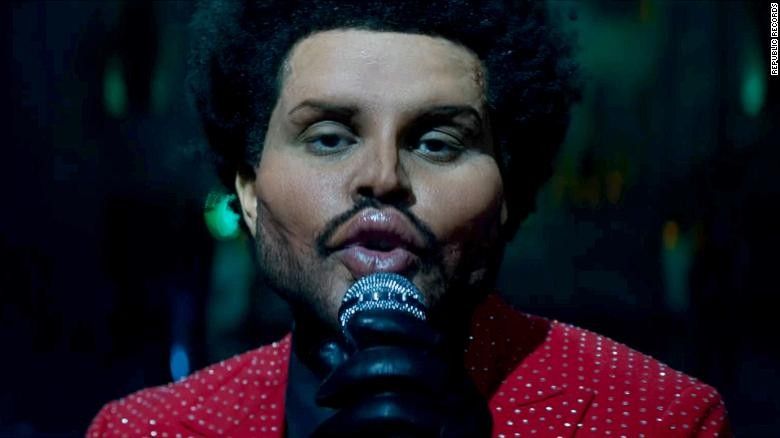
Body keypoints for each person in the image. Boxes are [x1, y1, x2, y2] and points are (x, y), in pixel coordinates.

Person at [89, 1, 730, 436]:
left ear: (509, 192)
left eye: (437, 142)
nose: (383, 176)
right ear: (249, 191)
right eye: (329, 138)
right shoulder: (145, 431)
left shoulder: (662, 420)